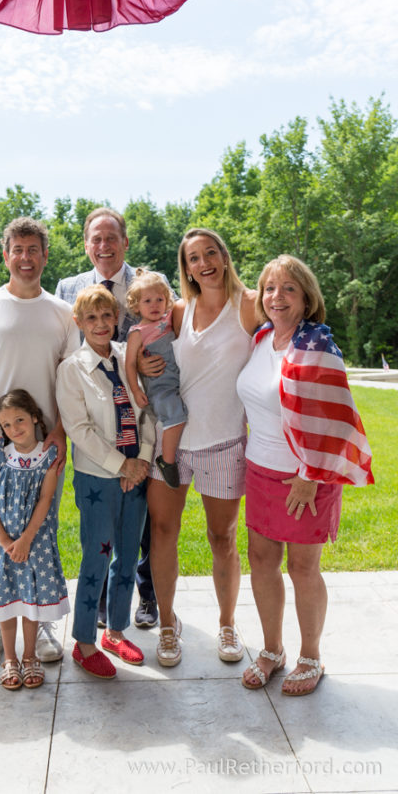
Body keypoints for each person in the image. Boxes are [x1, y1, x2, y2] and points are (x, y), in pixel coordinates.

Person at [237, 255, 374, 695]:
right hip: (259, 468)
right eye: (270, 288)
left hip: (305, 476)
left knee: (302, 567)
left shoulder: (317, 345)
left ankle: (310, 656)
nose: (278, 297)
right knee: (261, 560)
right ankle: (272, 650)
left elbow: (336, 420)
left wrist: (309, 474)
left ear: (306, 298)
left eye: (289, 289)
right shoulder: (261, 338)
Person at [0, 217, 78, 668]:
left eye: (33, 249)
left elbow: (71, 380)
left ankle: (39, 622)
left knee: (39, 533)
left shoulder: (64, 313)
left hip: (43, 450)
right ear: (5, 255)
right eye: (17, 249)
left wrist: (60, 431)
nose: (25, 257)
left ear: (45, 256)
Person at [147, 228, 258, 668]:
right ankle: (169, 626)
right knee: (162, 533)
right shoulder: (177, 309)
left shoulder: (248, 305)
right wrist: (139, 359)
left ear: (224, 256)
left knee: (221, 536)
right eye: (194, 258)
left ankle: (228, 624)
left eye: (210, 253)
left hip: (224, 442)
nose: (204, 263)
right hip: (171, 444)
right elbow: (147, 345)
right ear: (186, 267)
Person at [55, 207, 165, 629]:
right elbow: (64, 346)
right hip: (94, 431)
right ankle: (91, 620)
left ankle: (143, 600)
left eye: (111, 238)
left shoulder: (147, 284)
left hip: (137, 416)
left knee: (139, 534)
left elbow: (162, 330)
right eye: (95, 239)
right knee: (98, 548)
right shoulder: (69, 288)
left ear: (125, 242)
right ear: (86, 243)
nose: (103, 246)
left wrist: (142, 458)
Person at [56, 285, 155, 678]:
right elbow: (79, 429)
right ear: (78, 323)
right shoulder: (72, 370)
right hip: (99, 478)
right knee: (96, 556)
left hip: (138, 474)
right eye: (91, 318)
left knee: (128, 556)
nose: (100, 324)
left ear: (117, 319)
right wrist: (121, 466)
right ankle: (83, 642)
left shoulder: (128, 358)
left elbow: (150, 409)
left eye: (106, 316)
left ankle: (116, 631)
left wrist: (143, 460)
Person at [0, 389, 69, 690]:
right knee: (7, 603)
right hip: (3, 545)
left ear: (34, 417)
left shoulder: (48, 456)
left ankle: (29, 656)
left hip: (37, 543)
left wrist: (26, 540)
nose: (14, 428)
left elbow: (46, 500)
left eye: (19, 419)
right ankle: (10, 658)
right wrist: (7, 543)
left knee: (32, 602)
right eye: (6, 425)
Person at [125, 269, 187, 489]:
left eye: (160, 299)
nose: (154, 305)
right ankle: (167, 461)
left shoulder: (169, 319)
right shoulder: (137, 332)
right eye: (147, 301)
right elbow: (130, 363)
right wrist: (135, 390)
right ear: (136, 306)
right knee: (175, 419)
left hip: (178, 380)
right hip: (160, 385)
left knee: (181, 415)